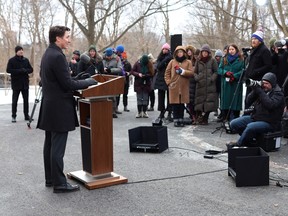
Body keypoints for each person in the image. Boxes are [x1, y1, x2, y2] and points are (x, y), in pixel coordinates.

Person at [37, 26, 98, 193]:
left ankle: (51, 179)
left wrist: (76, 78)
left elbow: (59, 80)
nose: (69, 40)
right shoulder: (57, 56)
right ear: (58, 38)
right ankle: (60, 184)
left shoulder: (48, 54)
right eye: (67, 37)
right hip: (59, 108)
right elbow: (67, 85)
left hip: (50, 106)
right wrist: (89, 82)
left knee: (49, 144)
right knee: (57, 147)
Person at [228, 72, 284, 148]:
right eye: (263, 83)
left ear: (273, 84)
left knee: (250, 127)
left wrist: (260, 91)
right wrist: (255, 89)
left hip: (270, 122)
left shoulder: (278, 94)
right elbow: (248, 101)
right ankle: (249, 141)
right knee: (233, 123)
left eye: (267, 83)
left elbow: (270, 105)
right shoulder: (263, 90)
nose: (264, 85)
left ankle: (239, 144)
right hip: (256, 117)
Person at [165, 46, 193, 127]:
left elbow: (191, 73)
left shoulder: (188, 62)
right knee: (175, 104)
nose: (180, 53)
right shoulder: (172, 62)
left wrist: (183, 71)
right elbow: (167, 73)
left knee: (181, 104)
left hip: (184, 86)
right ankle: (176, 120)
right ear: (176, 53)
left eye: (181, 52)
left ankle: (181, 119)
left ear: (184, 53)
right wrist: (169, 82)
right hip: (174, 86)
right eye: (178, 52)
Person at [244, 29, 272, 109]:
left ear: (260, 40)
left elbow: (268, 66)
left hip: (258, 81)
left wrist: (256, 72)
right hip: (250, 80)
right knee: (247, 100)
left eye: (255, 39)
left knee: (254, 102)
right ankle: (245, 116)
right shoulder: (253, 50)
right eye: (252, 39)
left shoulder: (264, 50)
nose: (253, 41)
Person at [6, 45, 33, 123]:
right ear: (16, 51)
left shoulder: (26, 60)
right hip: (16, 83)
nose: (21, 51)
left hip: (25, 83)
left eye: (22, 50)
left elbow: (31, 69)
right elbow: (8, 70)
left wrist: (25, 70)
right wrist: (19, 71)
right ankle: (14, 116)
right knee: (15, 100)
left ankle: (26, 115)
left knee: (26, 100)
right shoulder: (12, 60)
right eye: (19, 50)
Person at [218, 44, 244, 122]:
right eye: (230, 50)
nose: (231, 51)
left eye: (233, 49)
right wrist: (225, 73)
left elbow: (243, 70)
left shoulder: (241, 59)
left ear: (236, 50)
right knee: (226, 101)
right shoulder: (224, 59)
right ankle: (226, 118)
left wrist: (235, 76)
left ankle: (235, 119)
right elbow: (219, 69)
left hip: (236, 84)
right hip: (226, 84)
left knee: (235, 101)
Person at [194, 44, 218, 125]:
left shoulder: (212, 61)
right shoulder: (198, 60)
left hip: (210, 85)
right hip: (200, 85)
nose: (204, 53)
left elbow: (216, 71)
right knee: (199, 102)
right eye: (203, 52)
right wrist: (197, 78)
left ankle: (205, 119)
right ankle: (199, 117)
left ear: (208, 53)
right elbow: (194, 72)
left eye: (206, 52)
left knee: (208, 103)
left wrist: (212, 78)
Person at [154, 43, 173, 121]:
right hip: (160, 78)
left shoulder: (171, 58)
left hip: (168, 78)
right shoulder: (160, 57)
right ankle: (161, 112)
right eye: (163, 49)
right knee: (161, 97)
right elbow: (158, 66)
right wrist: (165, 60)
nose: (164, 50)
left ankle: (169, 112)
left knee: (170, 97)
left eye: (166, 49)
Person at [102, 47, 123, 118]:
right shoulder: (102, 58)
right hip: (104, 77)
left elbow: (120, 69)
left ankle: (113, 111)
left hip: (113, 77)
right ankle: (105, 110)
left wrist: (111, 70)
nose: (109, 57)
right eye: (107, 56)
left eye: (110, 56)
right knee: (104, 95)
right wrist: (103, 69)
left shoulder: (117, 58)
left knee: (113, 96)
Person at [186, 45, 197, 122]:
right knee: (189, 99)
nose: (189, 52)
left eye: (190, 50)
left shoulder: (195, 60)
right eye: (187, 51)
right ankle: (192, 115)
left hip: (195, 81)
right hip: (187, 81)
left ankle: (195, 115)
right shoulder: (186, 60)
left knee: (194, 100)